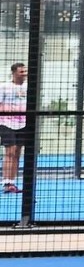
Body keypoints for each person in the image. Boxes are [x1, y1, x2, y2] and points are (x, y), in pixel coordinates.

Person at [0, 62, 29, 194]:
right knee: (10, 152)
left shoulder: (29, 87)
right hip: (6, 123)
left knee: (17, 153)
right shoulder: (4, 87)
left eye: (25, 71)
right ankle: (6, 182)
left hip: (23, 123)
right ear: (14, 73)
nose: (24, 74)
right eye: (21, 72)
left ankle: (12, 182)